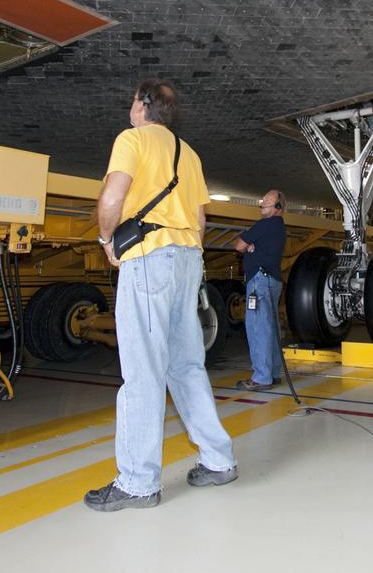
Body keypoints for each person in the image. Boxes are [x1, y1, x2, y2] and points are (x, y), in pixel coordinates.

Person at [85, 79, 237, 512]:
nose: (130, 107)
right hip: (188, 259)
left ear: (143, 107)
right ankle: (218, 459)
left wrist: (106, 240)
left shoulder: (132, 139)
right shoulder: (188, 154)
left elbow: (113, 197)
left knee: (143, 369)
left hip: (149, 258)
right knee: (187, 365)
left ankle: (137, 483)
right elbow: (201, 218)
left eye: (132, 100)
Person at [233, 189, 287, 391]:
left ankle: (261, 377)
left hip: (259, 282)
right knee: (271, 328)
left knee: (257, 328)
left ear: (278, 207)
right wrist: (252, 244)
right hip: (272, 281)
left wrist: (248, 244)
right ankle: (273, 373)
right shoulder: (280, 227)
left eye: (267, 200)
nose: (262, 202)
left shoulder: (264, 225)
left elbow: (238, 245)